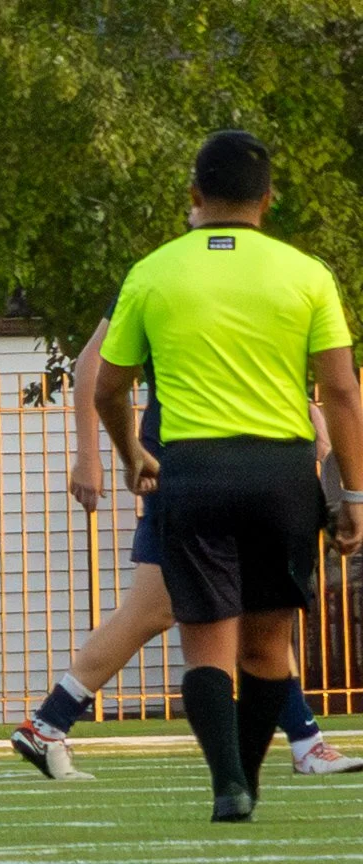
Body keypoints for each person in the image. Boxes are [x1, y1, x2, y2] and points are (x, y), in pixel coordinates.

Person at [94, 130, 363, 822]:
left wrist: (132, 458)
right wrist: (352, 493)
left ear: (193, 196)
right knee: (269, 644)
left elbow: (109, 389)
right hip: (281, 473)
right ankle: (251, 776)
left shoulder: (153, 271)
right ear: (267, 201)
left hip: (193, 470)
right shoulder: (307, 275)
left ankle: (228, 785)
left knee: (207, 642)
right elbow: (341, 393)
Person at [12, 308, 363, 779]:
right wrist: (89, 454)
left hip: (240, 470)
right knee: (156, 607)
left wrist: (306, 416)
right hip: (181, 468)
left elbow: (246, 371)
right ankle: (49, 722)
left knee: (258, 603)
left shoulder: (242, 276)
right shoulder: (163, 275)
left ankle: (306, 741)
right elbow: (93, 365)